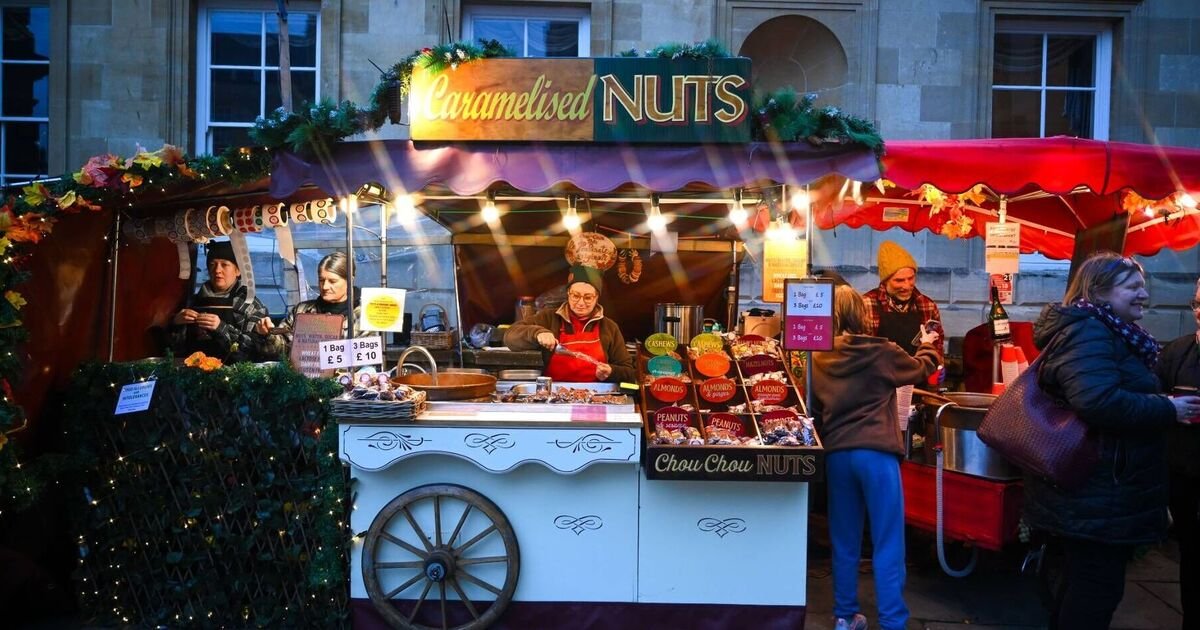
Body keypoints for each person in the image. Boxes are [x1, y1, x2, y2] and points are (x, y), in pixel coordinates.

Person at [1027, 251, 1200, 629]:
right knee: (1096, 588)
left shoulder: (1106, 330)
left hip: (1099, 488)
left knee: (1085, 583)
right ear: (1100, 292)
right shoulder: (1089, 331)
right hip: (1096, 487)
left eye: (1143, 286)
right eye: (1133, 287)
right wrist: (1168, 408)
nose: (1144, 294)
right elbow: (1097, 401)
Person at [810, 284, 939, 630]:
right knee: (887, 542)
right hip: (877, 455)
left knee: (844, 540)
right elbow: (922, 368)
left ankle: (844, 615)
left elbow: (813, 405)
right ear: (861, 315)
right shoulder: (881, 351)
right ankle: (893, 621)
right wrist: (929, 344)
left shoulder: (817, 356)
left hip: (838, 454)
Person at [1153, 277, 1200, 630]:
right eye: (1198, 303)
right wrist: (1170, 406)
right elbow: (1152, 398)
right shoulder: (1177, 351)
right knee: (1191, 551)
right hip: (1183, 470)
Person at [504, 264, 635, 383]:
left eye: (588, 297)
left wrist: (611, 372)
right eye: (576, 296)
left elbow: (628, 372)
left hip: (596, 395)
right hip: (554, 394)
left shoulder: (609, 327)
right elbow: (509, 337)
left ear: (597, 298)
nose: (581, 303)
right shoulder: (548, 318)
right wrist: (537, 333)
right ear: (568, 294)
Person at [169, 240, 268, 361]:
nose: (217, 270)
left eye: (224, 265)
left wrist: (221, 328)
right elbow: (175, 350)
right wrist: (176, 325)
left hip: (235, 372)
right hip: (194, 370)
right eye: (212, 264)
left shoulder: (250, 305)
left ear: (238, 271)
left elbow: (252, 351)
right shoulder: (193, 302)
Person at [254, 252, 363, 357]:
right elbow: (281, 348)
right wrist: (267, 335)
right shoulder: (301, 311)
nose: (325, 286)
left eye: (332, 281)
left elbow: (365, 356)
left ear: (350, 280)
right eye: (321, 280)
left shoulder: (363, 315)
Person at [863, 240, 942, 356]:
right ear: (885, 281)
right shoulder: (866, 305)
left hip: (918, 367)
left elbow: (937, 348)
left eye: (911, 278)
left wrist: (937, 363)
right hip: (879, 367)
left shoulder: (928, 305)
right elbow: (859, 351)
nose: (906, 286)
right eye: (899, 280)